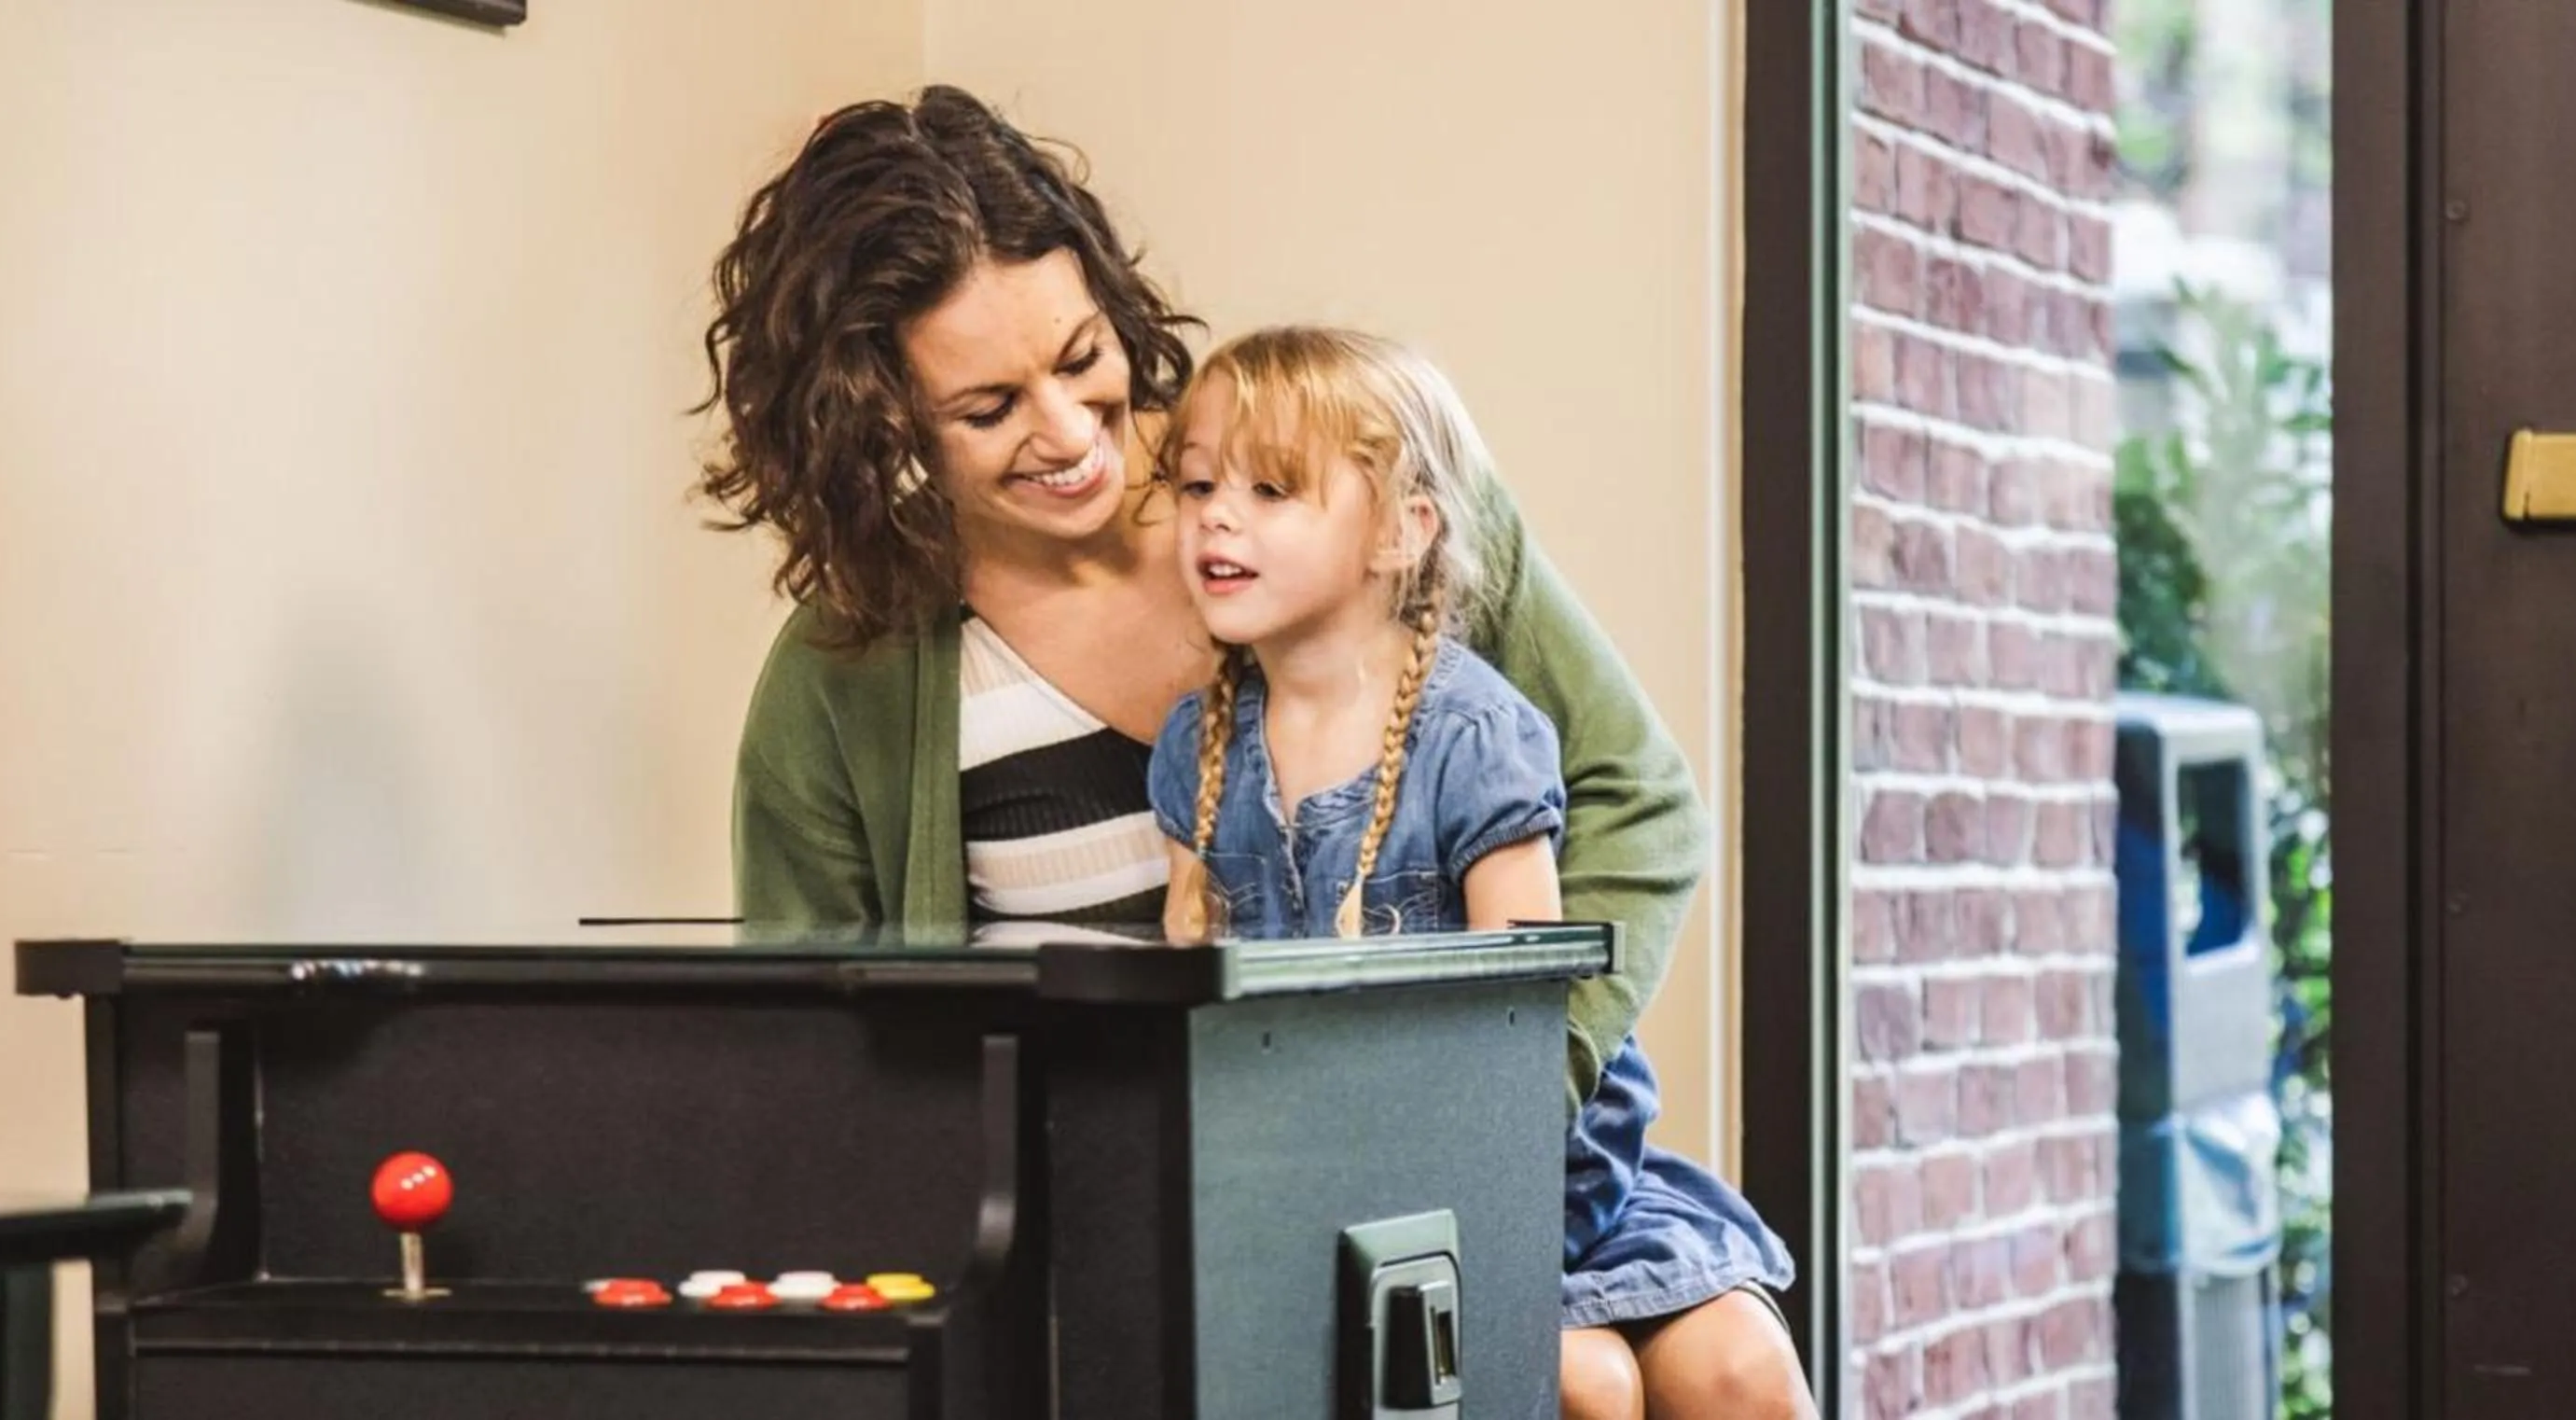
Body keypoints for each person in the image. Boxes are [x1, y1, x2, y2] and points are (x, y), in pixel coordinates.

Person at [693, 88, 1754, 1412]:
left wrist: (1514, 1103)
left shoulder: (1344, 482)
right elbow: (811, 1042)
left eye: (1083, 357)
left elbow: (1636, 802)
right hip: (1131, 1203)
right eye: (988, 408)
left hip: (1483, 1150)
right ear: (880, 424)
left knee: (1732, 1369)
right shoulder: (850, 670)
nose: (1074, 433)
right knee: (1578, 1385)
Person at [1150, 326, 1814, 1419]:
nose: (1216, 514)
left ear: (1406, 530)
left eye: (1272, 488)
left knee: (1736, 1376)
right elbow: (1190, 1009)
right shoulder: (1199, 748)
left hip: (1521, 1170)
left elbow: (1518, 1044)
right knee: (1590, 1383)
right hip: (1310, 1170)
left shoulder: (1473, 737)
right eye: (1198, 484)